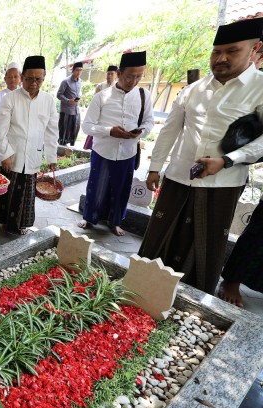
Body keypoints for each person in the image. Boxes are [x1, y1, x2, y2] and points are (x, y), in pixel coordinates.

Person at [138, 17, 263, 296]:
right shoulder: (194, 89)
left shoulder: (260, 88)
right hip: (179, 177)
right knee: (159, 237)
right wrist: (155, 168)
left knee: (205, 246)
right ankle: (142, 291)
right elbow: (170, 130)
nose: (221, 58)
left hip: (222, 183)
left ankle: (192, 303)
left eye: (232, 51)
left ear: (255, 50)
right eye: (216, 51)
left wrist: (228, 160)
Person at [78, 52, 154, 236]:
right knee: (97, 186)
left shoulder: (144, 96)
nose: (134, 81)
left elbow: (149, 122)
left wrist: (140, 132)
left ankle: (115, 222)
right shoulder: (102, 96)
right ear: (119, 73)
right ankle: (89, 217)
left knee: (121, 189)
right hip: (103, 150)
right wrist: (109, 131)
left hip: (128, 152)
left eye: (139, 76)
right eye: (130, 76)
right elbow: (87, 126)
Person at [0, 55, 59, 235]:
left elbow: (52, 131)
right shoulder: (10, 98)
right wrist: (5, 154)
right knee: (9, 193)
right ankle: (5, 224)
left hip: (32, 154)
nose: (34, 83)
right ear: (22, 77)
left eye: (38, 79)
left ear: (44, 78)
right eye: (30, 79)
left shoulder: (48, 101)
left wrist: (52, 156)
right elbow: (0, 130)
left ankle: (20, 226)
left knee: (25, 194)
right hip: (11, 155)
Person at [0, 62, 21, 138]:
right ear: (5, 79)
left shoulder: (24, 95)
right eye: (9, 77)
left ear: (20, 78)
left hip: (19, 136)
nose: (12, 79)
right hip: (2, 134)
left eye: (15, 76)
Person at [57, 62, 83, 146]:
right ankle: (61, 148)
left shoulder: (80, 81)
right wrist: (68, 100)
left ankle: (69, 148)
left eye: (80, 70)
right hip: (66, 111)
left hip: (75, 110)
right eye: (77, 70)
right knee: (64, 131)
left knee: (74, 129)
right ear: (73, 70)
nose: (79, 72)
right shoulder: (66, 81)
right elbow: (59, 94)